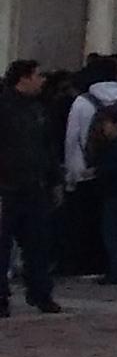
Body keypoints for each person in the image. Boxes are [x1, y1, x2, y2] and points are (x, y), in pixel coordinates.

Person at [62, 58, 117, 284]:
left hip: (87, 170)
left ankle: (91, 263)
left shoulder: (81, 101)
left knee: (92, 222)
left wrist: (73, 171)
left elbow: (71, 138)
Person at [2, 61, 61, 315]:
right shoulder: (4, 107)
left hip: (35, 186)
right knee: (2, 245)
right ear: (23, 79)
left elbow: (47, 148)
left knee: (38, 244)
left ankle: (40, 293)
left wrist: (54, 179)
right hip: (7, 187)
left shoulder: (38, 109)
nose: (43, 80)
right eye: (38, 75)